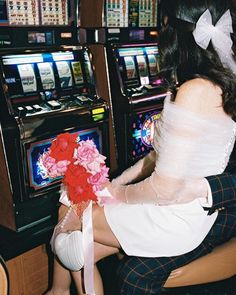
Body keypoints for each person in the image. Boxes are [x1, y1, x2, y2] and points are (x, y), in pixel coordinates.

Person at [45, 0, 236, 294]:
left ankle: (57, 291)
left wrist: (116, 194)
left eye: (162, 25)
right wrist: (112, 185)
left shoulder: (193, 90)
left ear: (174, 31)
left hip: (171, 219)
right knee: (86, 251)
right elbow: (155, 156)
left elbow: (164, 189)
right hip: (182, 213)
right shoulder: (213, 82)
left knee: (70, 205)